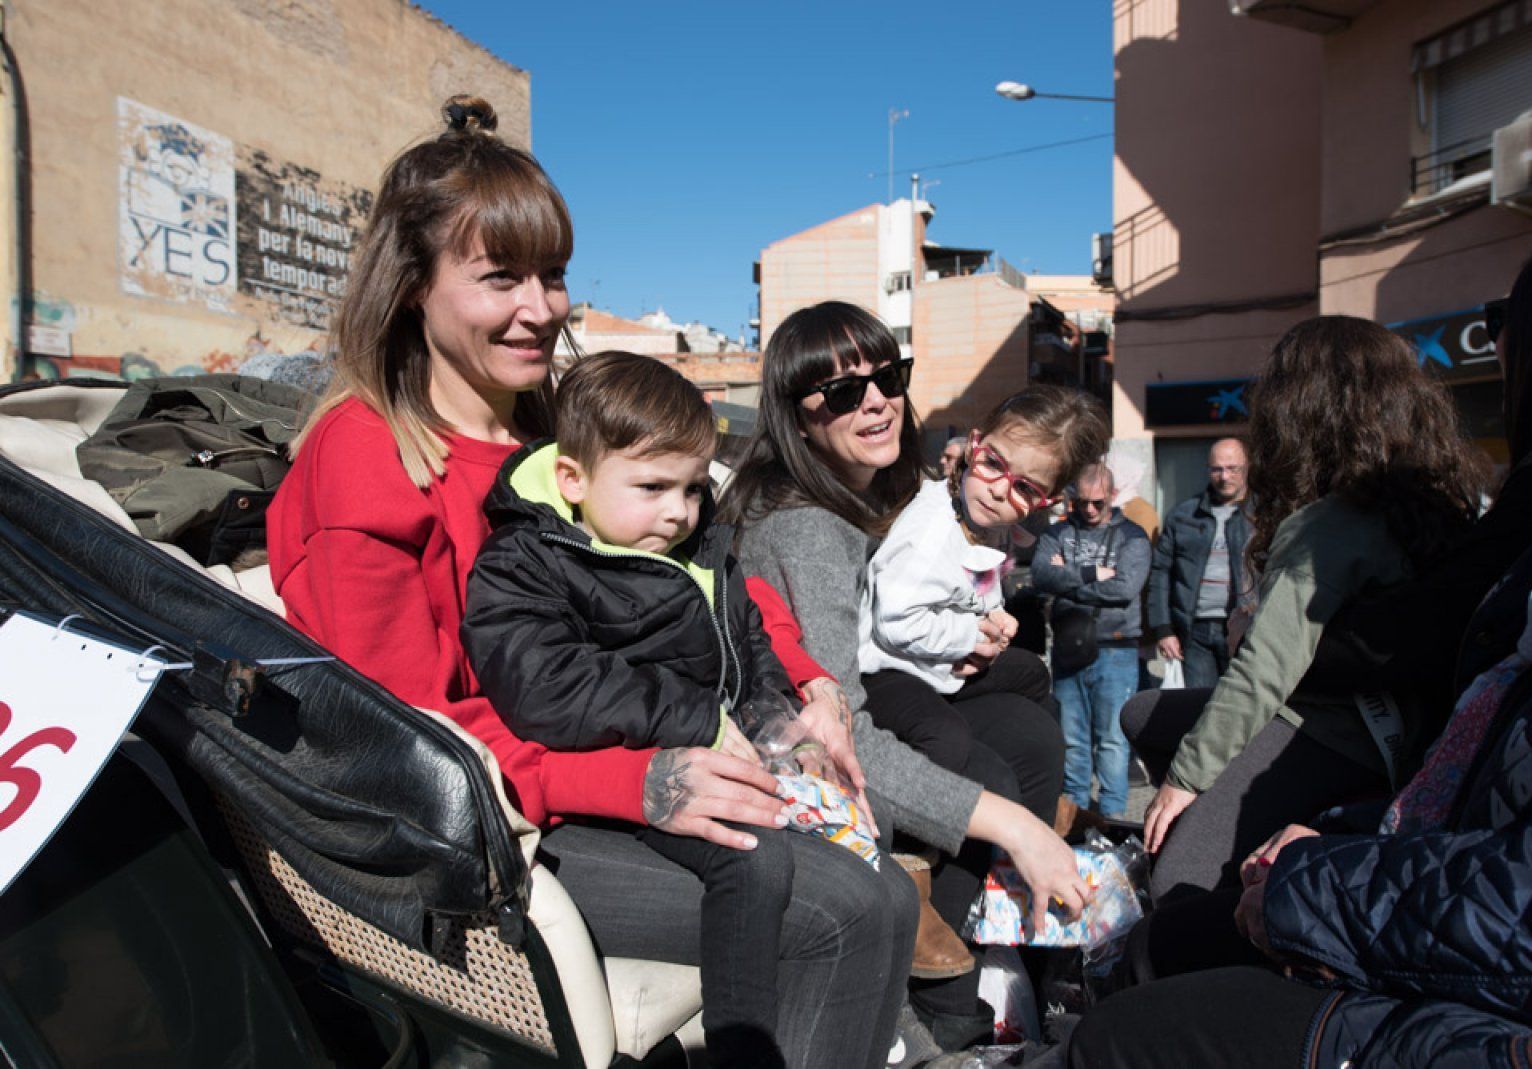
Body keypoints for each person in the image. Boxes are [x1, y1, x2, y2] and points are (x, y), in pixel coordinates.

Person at [267, 98, 916, 1069]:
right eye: (499, 279)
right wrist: (638, 780)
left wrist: (808, 683)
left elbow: (710, 562)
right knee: (837, 911)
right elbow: (405, 743)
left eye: (554, 276)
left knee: (887, 882)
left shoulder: (561, 436)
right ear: (412, 289)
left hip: (613, 767)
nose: (540, 309)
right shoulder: (365, 456)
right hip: (494, 829)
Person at [462, 352, 896, 1066]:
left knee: (873, 867)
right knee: (753, 863)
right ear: (572, 479)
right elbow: (547, 686)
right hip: (619, 781)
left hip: (716, 757)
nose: (679, 509)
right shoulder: (527, 561)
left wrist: (779, 728)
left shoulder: (699, 547)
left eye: (693, 487)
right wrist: (698, 719)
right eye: (653, 486)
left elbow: (748, 642)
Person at [1069, 503, 1532, 1069]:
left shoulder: (1331, 527)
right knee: (1162, 941)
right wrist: (1347, 834)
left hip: (1505, 1011)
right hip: (1430, 886)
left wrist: (1311, 883)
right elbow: (1481, 796)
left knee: (1122, 1022)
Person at [722, 300, 1092, 1052]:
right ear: (797, 418)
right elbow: (841, 741)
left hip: (878, 723)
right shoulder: (809, 529)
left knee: (1022, 725)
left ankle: (975, 946)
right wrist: (1014, 826)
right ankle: (933, 990)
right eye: (841, 392)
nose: (876, 400)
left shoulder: (876, 498)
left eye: (886, 376)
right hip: (818, 801)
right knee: (983, 758)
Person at [1132, 316, 1487, 904]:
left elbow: (1262, 673)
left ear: (1299, 416)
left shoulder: (1326, 526)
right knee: (1142, 714)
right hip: (1408, 735)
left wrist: (1184, 781)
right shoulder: (1439, 510)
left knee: (1177, 875)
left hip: (1331, 733)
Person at [858, 384, 1107, 797]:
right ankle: (914, 828)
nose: (997, 490)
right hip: (888, 670)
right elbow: (897, 623)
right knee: (946, 736)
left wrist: (993, 622)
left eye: (1024, 488)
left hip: (935, 660)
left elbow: (979, 590)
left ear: (1045, 502)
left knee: (1032, 674)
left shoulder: (989, 525)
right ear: (975, 445)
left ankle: (1044, 794)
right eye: (994, 464)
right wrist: (970, 639)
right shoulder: (930, 532)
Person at [1032, 463, 1151, 819]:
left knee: (1113, 741)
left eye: (1097, 503)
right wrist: (1093, 574)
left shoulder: (1133, 536)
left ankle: (1112, 819)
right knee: (1072, 739)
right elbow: (1040, 574)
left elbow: (1126, 588)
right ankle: (1077, 816)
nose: (1089, 510)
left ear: (1113, 496)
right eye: (1081, 502)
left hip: (1116, 647)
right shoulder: (1058, 532)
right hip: (1070, 644)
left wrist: (1066, 580)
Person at [1146, 438, 1252, 689]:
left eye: (1232, 468)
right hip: (1195, 633)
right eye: (1216, 469)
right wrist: (1164, 629)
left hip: (1246, 629)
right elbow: (1161, 573)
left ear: (1247, 467)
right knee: (1198, 710)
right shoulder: (1183, 515)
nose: (1224, 476)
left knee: (1242, 710)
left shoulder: (1262, 516)